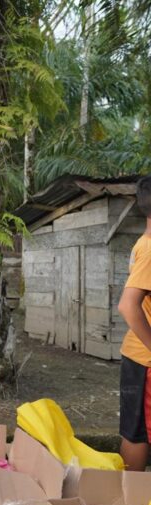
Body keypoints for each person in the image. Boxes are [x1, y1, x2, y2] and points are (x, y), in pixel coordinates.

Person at [117, 175, 151, 471]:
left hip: (139, 356)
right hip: (145, 360)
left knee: (136, 427)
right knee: (138, 431)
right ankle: (131, 504)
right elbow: (128, 306)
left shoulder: (144, 242)